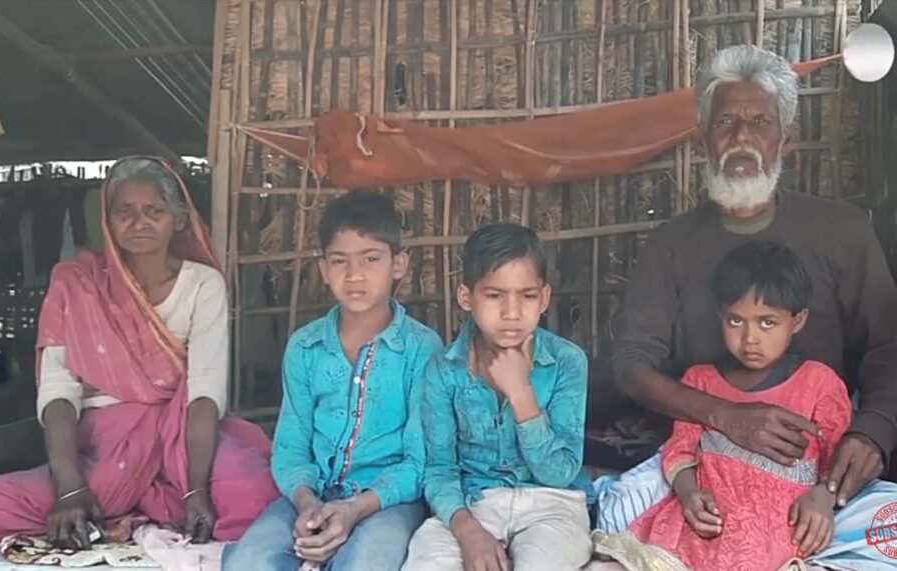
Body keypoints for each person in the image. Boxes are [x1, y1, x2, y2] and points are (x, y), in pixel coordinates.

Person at [596, 45, 897, 569]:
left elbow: (888, 345)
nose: (740, 137)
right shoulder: (672, 244)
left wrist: (873, 431)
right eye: (725, 123)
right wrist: (725, 416)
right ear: (703, 140)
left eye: (759, 122)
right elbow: (631, 364)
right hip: (706, 462)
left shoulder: (842, 231)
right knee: (619, 524)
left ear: (787, 140)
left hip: (820, 467)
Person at [0, 157, 278, 547]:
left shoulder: (203, 284)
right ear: (107, 220)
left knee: (252, 490)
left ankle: (139, 504)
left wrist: (196, 489)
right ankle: (136, 503)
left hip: (179, 433)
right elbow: (59, 390)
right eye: (124, 212)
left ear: (178, 220)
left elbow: (204, 389)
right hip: (103, 446)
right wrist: (70, 487)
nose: (138, 222)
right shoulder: (76, 284)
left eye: (154, 211)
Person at [594, 241, 850, 570]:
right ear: (720, 316)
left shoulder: (819, 383)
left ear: (797, 320)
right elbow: (681, 449)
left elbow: (836, 456)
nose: (750, 338)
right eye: (736, 321)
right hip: (700, 529)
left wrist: (824, 496)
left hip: (778, 533)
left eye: (767, 323)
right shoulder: (700, 381)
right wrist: (688, 493)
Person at [222, 190, 442, 571]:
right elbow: (290, 447)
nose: (354, 275)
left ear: (399, 265)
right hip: (313, 495)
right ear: (323, 269)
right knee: (249, 561)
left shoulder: (421, 348)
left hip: (387, 501)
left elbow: (420, 459)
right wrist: (307, 504)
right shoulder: (305, 347)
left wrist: (355, 508)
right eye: (340, 261)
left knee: (367, 563)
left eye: (371, 259)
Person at [402, 223, 593, 571]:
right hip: (472, 504)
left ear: (544, 298)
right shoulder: (445, 369)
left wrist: (522, 395)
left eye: (527, 296)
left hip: (551, 506)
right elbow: (440, 469)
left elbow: (560, 473)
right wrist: (468, 531)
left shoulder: (566, 361)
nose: (511, 312)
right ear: (466, 297)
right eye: (494, 295)